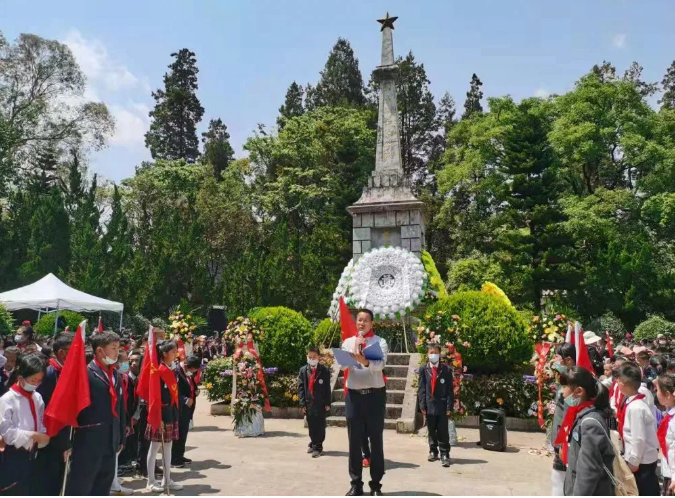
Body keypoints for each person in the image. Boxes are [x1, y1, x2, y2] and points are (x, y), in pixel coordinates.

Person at [66, 331, 126, 496]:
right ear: (99, 351)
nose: (117, 352)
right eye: (113, 348)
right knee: (82, 485)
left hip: (110, 440)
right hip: (89, 441)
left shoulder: (115, 374)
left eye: (118, 348)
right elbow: (72, 408)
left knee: (103, 485)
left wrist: (120, 434)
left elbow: (120, 407)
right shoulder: (85, 374)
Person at [340, 308, 388, 497]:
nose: (361, 323)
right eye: (359, 320)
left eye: (365, 320)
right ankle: (356, 484)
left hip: (375, 396)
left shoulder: (379, 342)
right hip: (354, 396)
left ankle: (375, 485)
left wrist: (365, 361)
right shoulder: (348, 342)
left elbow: (380, 365)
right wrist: (352, 355)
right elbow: (342, 364)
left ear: (371, 323)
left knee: (375, 439)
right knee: (354, 440)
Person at [558, 366, 615, 496]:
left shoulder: (590, 423)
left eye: (564, 387)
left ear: (579, 391)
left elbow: (588, 472)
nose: (562, 392)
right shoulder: (582, 414)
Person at [0, 354, 50, 495]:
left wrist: (42, 434)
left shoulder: (37, 397)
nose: (35, 384)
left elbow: (40, 420)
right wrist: (33, 435)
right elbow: (6, 432)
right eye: (33, 380)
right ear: (21, 377)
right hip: (13, 455)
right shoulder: (7, 400)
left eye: (39, 381)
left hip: (32, 452)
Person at [33, 332, 74, 495]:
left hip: (63, 439)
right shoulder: (49, 374)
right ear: (62, 353)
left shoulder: (67, 373)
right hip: (50, 441)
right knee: (47, 484)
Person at [615, 362, 660, 496]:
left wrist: (634, 461)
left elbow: (638, 437)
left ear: (622, 383)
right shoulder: (634, 402)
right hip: (641, 458)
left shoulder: (636, 407)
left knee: (644, 490)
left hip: (641, 460)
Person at [145, 340, 182, 493]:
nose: (176, 354)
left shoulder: (171, 369)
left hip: (171, 412)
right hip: (160, 414)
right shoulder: (159, 371)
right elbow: (155, 396)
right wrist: (157, 417)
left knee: (168, 447)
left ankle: (167, 478)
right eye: (173, 352)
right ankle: (151, 480)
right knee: (154, 448)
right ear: (165, 353)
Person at [418, 343, 453, 467]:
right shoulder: (423, 369)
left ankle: (445, 454)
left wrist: (449, 406)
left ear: (439, 354)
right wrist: (422, 405)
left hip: (442, 405)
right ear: (427, 355)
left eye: (435, 352)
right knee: (431, 430)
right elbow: (421, 388)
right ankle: (433, 451)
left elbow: (450, 390)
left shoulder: (446, 370)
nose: (433, 355)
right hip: (429, 404)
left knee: (443, 431)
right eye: (431, 352)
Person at [550, 342, 575, 496]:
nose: (554, 360)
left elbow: (570, 410)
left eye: (557, 356)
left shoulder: (574, 382)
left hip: (565, 434)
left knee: (562, 474)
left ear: (569, 360)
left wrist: (562, 439)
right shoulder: (565, 377)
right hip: (560, 433)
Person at [298, 346, 332, 458]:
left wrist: (327, 403)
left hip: (321, 402)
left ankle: (318, 446)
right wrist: (302, 403)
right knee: (311, 424)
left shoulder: (324, 370)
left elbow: (327, 388)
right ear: (307, 357)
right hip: (309, 402)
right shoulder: (303, 370)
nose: (312, 358)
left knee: (320, 424)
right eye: (310, 356)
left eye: (314, 356)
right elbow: (301, 388)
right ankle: (313, 442)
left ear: (318, 357)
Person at [111, 349, 134, 496]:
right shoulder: (114, 377)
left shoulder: (121, 377)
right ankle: (113, 484)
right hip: (114, 421)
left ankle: (114, 481)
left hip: (122, 419)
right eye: (124, 361)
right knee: (113, 454)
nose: (127, 364)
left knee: (116, 454)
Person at [172, 354, 201, 467]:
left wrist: (195, 392)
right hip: (179, 408)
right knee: (178, 434)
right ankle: (175, 459)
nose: (194, 372)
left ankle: (180, 455)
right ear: (187, 365)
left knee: (183, 433)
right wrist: (184, 399)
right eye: (194, 369)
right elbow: (174, 389)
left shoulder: (188, 373)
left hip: (187, 409)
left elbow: (190, 386)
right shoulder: (176, 372)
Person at [655, 374, 675, 495]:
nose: (656, 393)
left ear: (667, 394)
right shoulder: (669, 415)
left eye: (657, 390)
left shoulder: (673, 421)